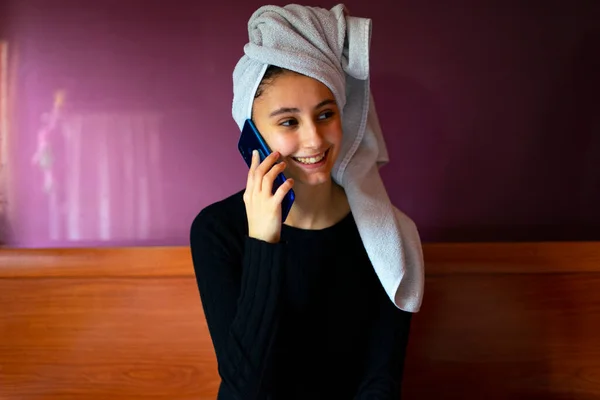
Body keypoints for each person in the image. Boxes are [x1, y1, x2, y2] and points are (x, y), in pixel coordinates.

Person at [190, 4, 424, 399]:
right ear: (252, 133)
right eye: (288, 122)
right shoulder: (218, 231)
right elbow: (246, 388)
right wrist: (264, 242)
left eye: (325, 114)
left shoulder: (387, 236)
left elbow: (380, 381)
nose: (314, 140)